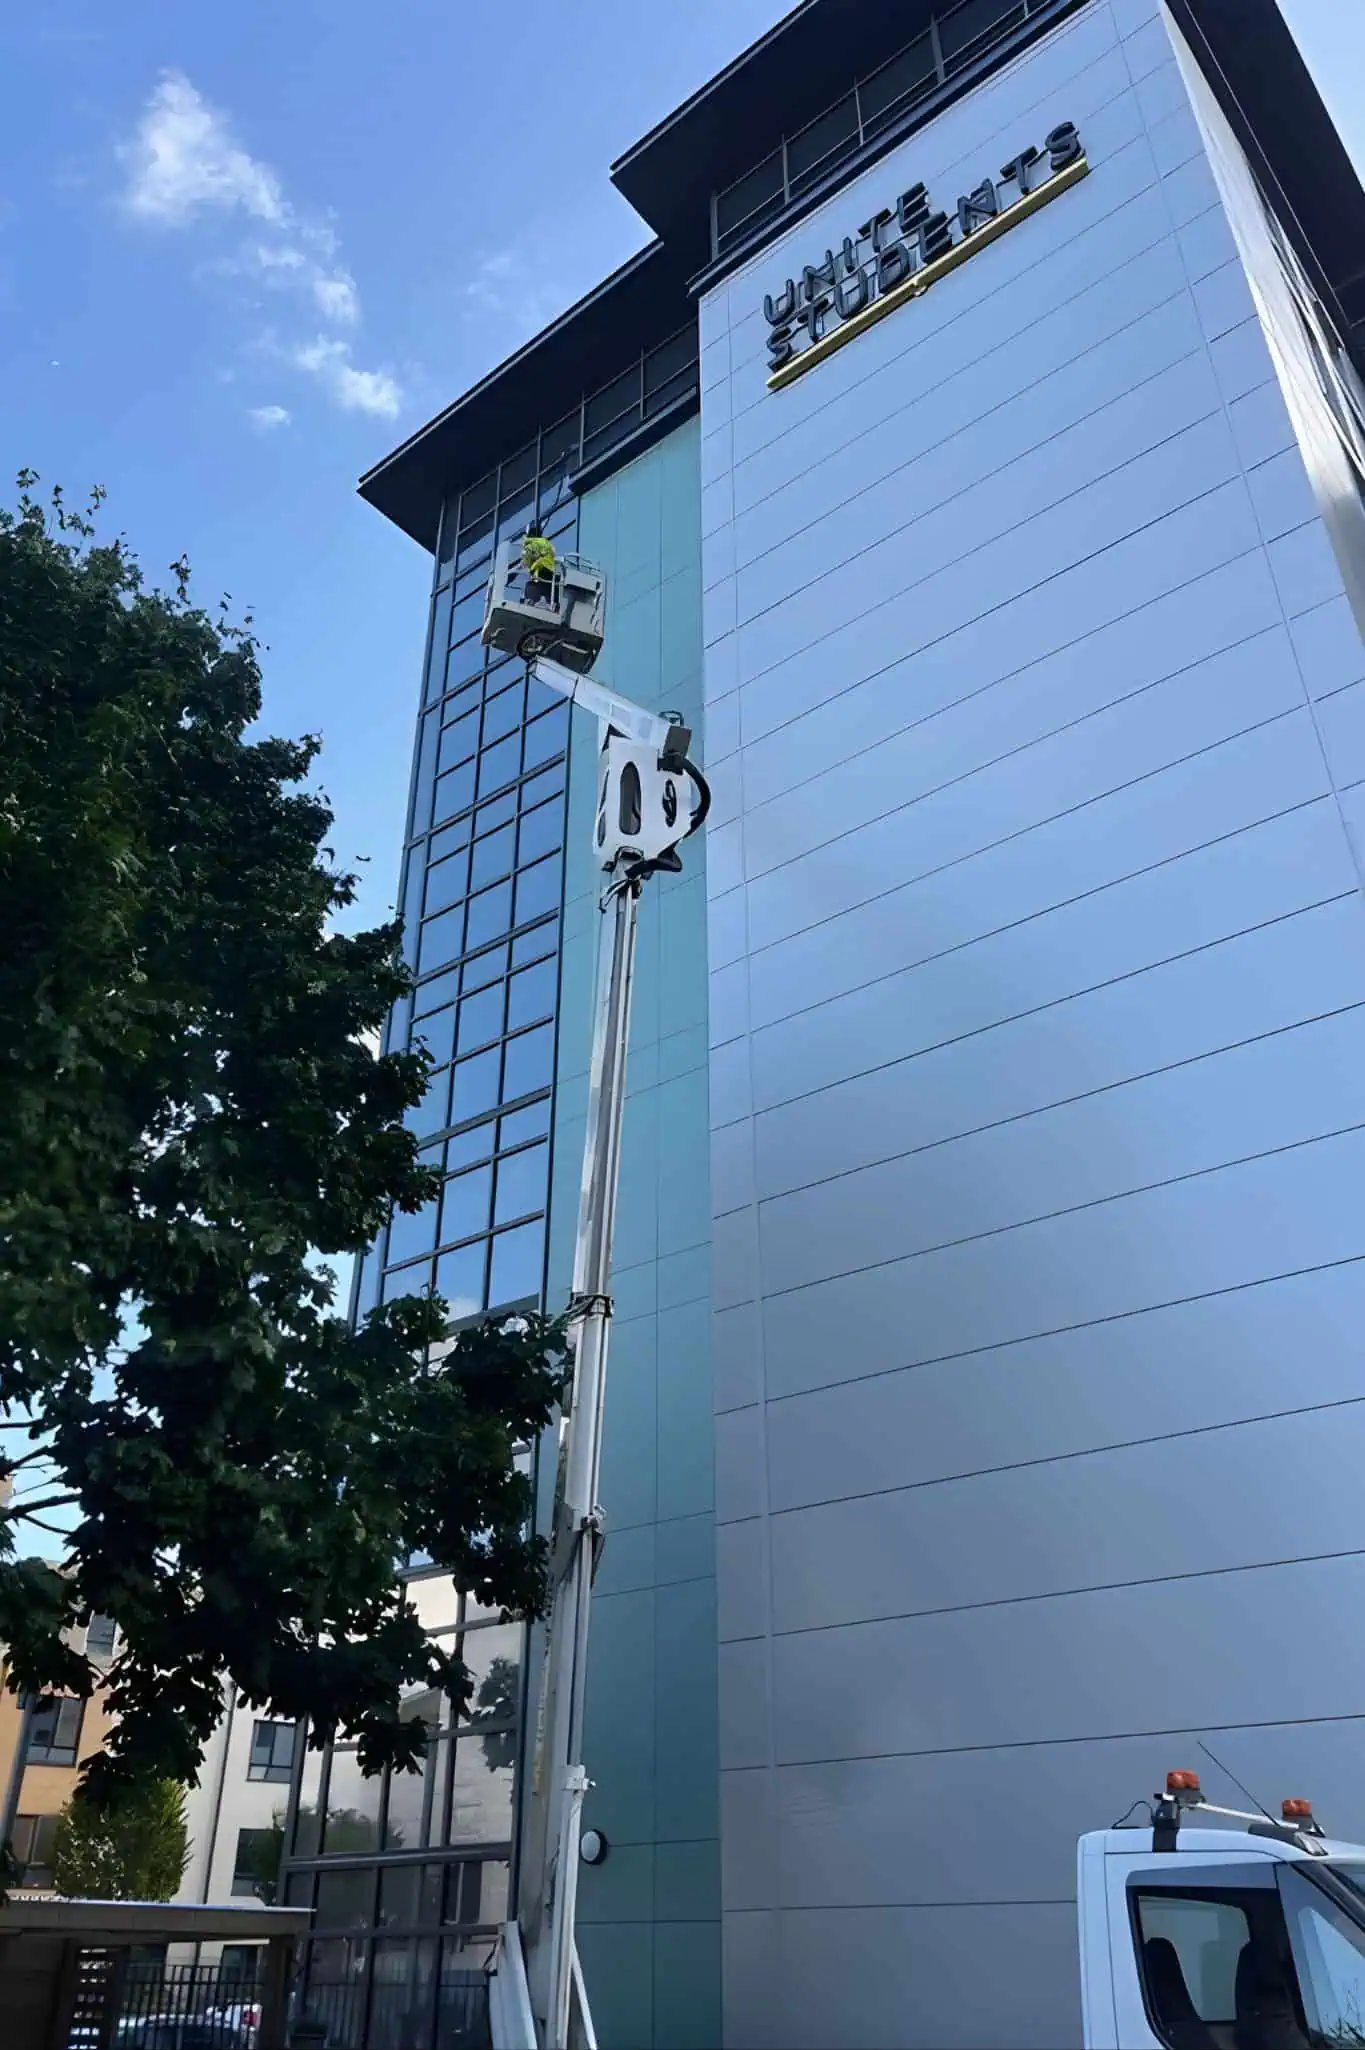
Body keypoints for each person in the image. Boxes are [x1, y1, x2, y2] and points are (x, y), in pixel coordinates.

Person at [520, 524, 556, 602]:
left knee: (531, 586)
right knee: (548, 588)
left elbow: (528, 557)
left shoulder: (533, 543)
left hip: (540, 568)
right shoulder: (547, 543)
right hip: (549, 570)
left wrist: (522, 563)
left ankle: (532, 602)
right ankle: (549, 603)